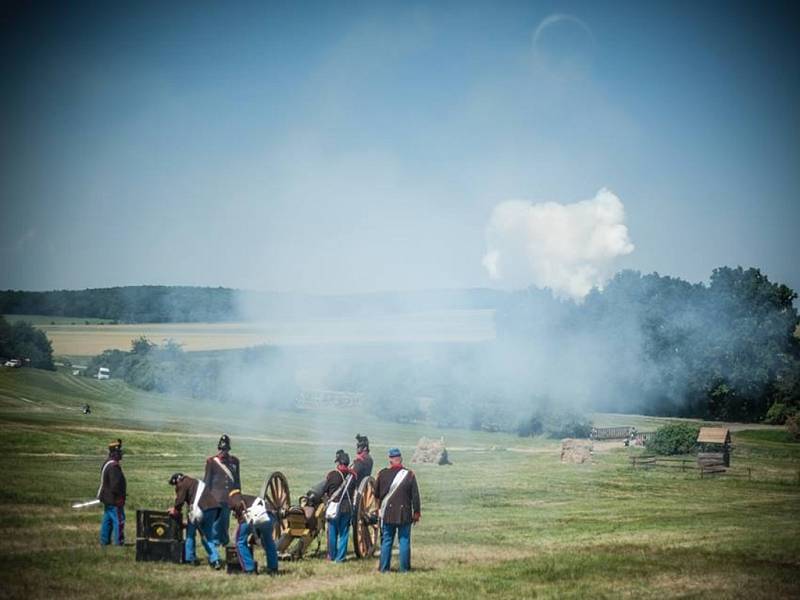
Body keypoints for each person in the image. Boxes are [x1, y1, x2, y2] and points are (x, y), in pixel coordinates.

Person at [375, 447, 420, 573]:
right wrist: (416, 513)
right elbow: (415, 496)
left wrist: (378, 510)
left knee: (387, 541)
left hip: (388, 513)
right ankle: (404, 569)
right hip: (404, 513)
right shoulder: (409, 475)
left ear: (390, 459)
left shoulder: (382, 474)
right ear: (400, 459)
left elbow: (376, 495)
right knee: (404, 541)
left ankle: (384, 569)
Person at [167, 472, 221, 568]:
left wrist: (175, 509)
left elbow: (179, 501)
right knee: (208, 537)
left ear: (177, 480)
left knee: (190, 535)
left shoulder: (182, 484)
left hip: (199, 510)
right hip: (213, 509)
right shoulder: (195, 482)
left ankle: (190, 559)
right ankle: (215, 560)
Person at [228, 488, 279, 575]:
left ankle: (249, 569)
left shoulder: (234, 498)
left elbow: (239, 506)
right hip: (268, 516)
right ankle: (273, 568)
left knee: (240, 541)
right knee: (268, 541)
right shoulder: (250, 498)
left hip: (252, 516)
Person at [203, 434, 241, 549]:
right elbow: (207, 480)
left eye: (225, 449)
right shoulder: (212, 462)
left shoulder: (234, 462)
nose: (223, 451)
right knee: (216, 521)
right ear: (219, 448)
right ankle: (215, 542)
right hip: (215, 496)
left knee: (225, 521)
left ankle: (224, 541)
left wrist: (238, 497)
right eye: (222, 449)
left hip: (228, 497)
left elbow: (237, 480)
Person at [324, 449, 357, 562]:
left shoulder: (332, 475)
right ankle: (340, 557)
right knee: (344, 533)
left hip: (334, 507)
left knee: (332, 531)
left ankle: (332, 555)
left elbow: (325, 490)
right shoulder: (353, 476)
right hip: (347, 507)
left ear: (339, 463)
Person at [98, 439, 126, 546]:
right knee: (119, 520)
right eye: (119, 453)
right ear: (115, 453)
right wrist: (120, 498)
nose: (121, 455)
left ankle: (104, 541)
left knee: (107, 520)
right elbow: (115, 485)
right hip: (114, 499)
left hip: (107, 498)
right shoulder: (114, 466)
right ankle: (119, 542)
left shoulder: (107, 463)